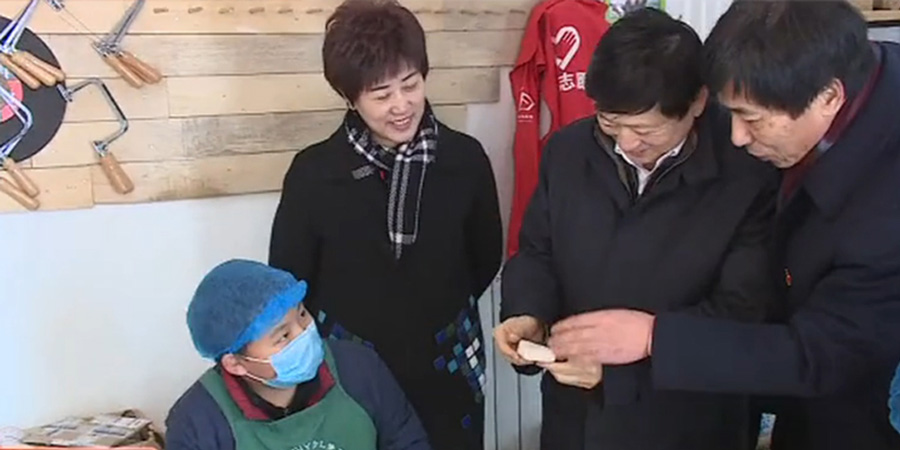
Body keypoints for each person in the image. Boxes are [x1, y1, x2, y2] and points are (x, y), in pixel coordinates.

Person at [546, 2, 900, 450]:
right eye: (729, 111)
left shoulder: (883, 207)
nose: (736, 136)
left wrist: (654, 338)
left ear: (829, 97)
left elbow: (823, 352)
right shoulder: (854, 78)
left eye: (751, 118)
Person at [494, 8, 776, 450]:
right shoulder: (569, 152)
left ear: (697, 102)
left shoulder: (747, 172)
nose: (626, 143)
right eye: (610, 122)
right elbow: (537, 251)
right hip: (574, 420)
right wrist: (528, 312)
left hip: (685, 423)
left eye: (645, 129)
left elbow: (741, 317)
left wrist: (620, 375)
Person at [268, 1, 503, 448]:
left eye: (410, 85)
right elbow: (290, 280)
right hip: (350, 369)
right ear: (349, 97)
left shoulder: (464, 160)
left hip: (448, 363)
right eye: (381, 95)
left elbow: (484, 258)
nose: (401, 106)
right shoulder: (314, 173)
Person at [165, 259, 431, 450]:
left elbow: (408, 442)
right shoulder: (197, 421)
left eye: (302, 314)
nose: (304, 333)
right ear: (235, 363)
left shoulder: (359, 370)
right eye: (283, 336)